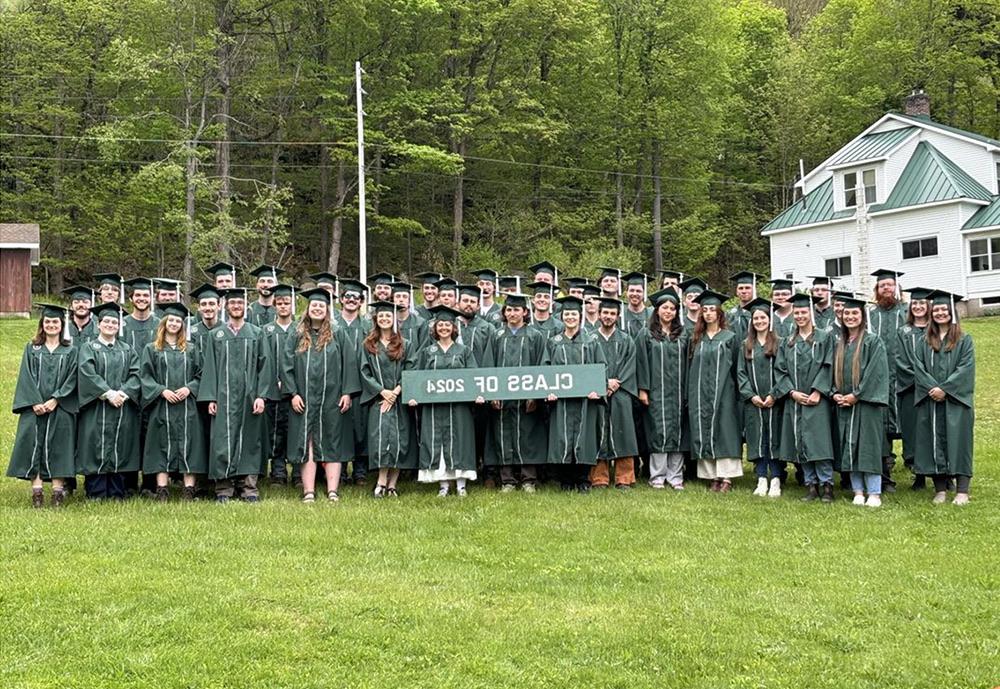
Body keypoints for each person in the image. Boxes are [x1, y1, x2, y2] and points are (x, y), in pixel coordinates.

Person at [281, 288, 361, 503]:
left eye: (321, 306)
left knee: (332, 440)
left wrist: (347, 392)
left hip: (332, 397)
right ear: (307, 309)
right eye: (314, 305)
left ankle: (332, 490)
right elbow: (286, 365)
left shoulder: (338, 333)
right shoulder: (296, 335)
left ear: (327, 310)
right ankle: (309, 491)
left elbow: (349, 364)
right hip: (304, 399)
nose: (317, 308)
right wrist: (293, 394)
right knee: (307, 442)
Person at [198, 288, 272, 503]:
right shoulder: (216, 335)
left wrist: (262, 396)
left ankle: (248, 487)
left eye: (240, 303)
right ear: (226, 307)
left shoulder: (256, 333)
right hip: (224, 396)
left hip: (250, 397)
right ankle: (224, 487)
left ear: (245, 306)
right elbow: (210, 367)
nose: (236, 306)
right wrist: (211, 397)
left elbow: (265, 366)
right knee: (223, 440)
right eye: (233, 303)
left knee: (250, 439)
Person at [8, 304, 79, 508]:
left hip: (60, 407)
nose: (51, 325)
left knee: (60, 447)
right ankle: (37, 493)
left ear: (61, 324)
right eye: (47, 321)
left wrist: (56, 399)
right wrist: (35, 401)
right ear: (42, 324)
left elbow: (72, 379)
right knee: (33, 445)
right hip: (34, 407)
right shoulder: (32, 348)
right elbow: (25, 376)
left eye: (55, 322)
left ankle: (57, 492)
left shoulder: (70, 350)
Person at [407, 305, 481, 497]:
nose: (444, 328)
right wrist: (413, 395)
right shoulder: (428, 352)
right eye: (440, 325)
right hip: (434, 406)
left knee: (460, 441)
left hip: (459, 407)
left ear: (453, 328)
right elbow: (417, 375)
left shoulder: (464, 351)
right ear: (435, 328)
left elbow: (474, 376)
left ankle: (461, 485)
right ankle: (443, 485)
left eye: (447, 325)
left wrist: (478, 394)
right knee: (437, 441)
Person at [912, 291, 975, 505]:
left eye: (943, 310)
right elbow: (918, 368)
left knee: (960, 442)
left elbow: (966, 368)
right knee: (932, 441)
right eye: (936, 310)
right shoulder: (924, 341)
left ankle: (962, 490)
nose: (940, 313)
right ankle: (940, 489)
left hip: (956, 401)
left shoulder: (964, 340)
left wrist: (946, 389)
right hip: (930, 399)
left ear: (952, 313)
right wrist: (932, 388)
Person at [138, 302, 206, 501]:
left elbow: (202, 375)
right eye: (171, 320)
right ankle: (162, 489)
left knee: (190, 444)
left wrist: (189, 388)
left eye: (178, 321)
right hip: (162, 405)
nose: (174, 324)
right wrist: (161, 391)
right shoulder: (152, 349)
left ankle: (188, 490)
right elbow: (145, 376)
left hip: (188, 406)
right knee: (160, 444)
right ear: (164, 323)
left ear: (182, 325)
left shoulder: (192, 350)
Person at [76, 302, 142, 500]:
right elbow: (86, 373)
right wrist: (108, 393)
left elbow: (137, 374)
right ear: (99, 324)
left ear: (119, 325)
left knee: (120, 446)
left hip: (123, 406)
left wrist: (123, 393)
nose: (111, 325)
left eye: (115, 322)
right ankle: (95, 491)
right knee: (95, 445)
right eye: (107, 321)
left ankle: (117, 491)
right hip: (97, 406)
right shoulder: (88, 348)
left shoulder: (127, 349)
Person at [774, 294, 836, 503]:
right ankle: (810, 485)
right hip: (796, 400)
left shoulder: (824, 338)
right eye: (797, 312)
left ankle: (827, 485)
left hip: (818, 400)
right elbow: (780, 370)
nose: (800, 316)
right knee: (801, 441)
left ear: (811, 312)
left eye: (803, 312)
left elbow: (829, 365)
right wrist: (791, 392)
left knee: (820, 442)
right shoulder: (787, 342)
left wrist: (818, 391)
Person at [484, 293, 548, 492]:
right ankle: (507, 480)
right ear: (504, 313)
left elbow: (542, 365)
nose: (512, 313)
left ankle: (529, 479)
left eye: (516, 310)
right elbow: (488, 365)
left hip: (526, 398)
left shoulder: (535, 336)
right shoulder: (496, 335)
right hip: (502, 398)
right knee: (502, 435)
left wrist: (534, 395)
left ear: (525, 312)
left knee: (527, 435)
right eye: (509, 310)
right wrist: (492, 393)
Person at [543, 296, 606, 492]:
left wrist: (598, 389)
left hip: (585, 401)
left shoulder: (591, 341)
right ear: (562, 317)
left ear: (580, 317)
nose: (570, 317)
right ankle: (566, 481)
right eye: (567, 314)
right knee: (563, 438)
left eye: (574, 314)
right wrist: (548, 392)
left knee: (584, 438)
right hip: (561, 402)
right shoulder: (553, 342)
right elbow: (546, 369)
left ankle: (583, 480)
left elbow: (601, 368)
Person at [831, 296, 889, 507]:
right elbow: (830, 372)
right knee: (849, 445)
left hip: (867, 404)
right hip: (843, 404)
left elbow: (876, 373)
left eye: (855, 313)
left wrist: (857, 395)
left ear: (863, 316)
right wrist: (834, 393)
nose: (850, 317)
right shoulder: (840, 343)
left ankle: (874, 491)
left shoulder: (874, 341)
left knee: (868, 447)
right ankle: (857, 490)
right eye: (847, 314)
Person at [360, 301, 418, 497]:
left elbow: (411, 370)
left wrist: (396, 392)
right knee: (381, 439)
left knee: (400, 440)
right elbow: (364, 372)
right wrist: (382, 391)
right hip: (379, 400)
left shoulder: (406, 344)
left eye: (388, 316)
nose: (385, 319)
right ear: (376, 319)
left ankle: (393, 484)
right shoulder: (369, 344)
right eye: (381, 316)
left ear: (394, 319)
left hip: (400, 400)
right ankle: (380, 481)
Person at [687, 290, 742, 492]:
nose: (708, 313)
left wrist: (736, 394)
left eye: (712, 310)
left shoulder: (730, 338)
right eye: (705, 310)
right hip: (700, 394)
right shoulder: (696, 339)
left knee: (725, 431)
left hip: (725, 393)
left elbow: (738, 367)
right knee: (704, 430)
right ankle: (712, 476)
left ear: (719, 313)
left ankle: (726, 477)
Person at [635, 289, 688, 490]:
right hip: (656, 391)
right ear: (657, 310)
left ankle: (675, 477)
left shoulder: (683, 334)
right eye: (664, 307)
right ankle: (657, 476)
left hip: (677, 392)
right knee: (658, 432)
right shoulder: (646, 334)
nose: (668, 311)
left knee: (678, 432)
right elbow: (641, 363)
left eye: (672, 308)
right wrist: (643, 390)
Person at [736, 298, 782, 497]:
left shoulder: (780, 344)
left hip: (775, 401)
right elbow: (740, 373)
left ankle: (777, 479)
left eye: (763, 317)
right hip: (753, 402)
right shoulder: (746, 345)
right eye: (756, 318)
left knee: (775, 438)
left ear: (769, 320)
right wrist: (751, 395)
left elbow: (785, 372)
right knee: (758, 438)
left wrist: (774, 394)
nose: (759, 321)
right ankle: (762, 477)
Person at [591, 297, 639, 490]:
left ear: (618, 316)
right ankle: (599, 478)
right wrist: (603, 383)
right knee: (598, 432)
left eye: (612, 313)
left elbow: (631, 364)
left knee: (624, 433)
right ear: (599, 314)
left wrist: (614, 385)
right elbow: (588, 366)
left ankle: (624, 478)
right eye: (605, 313)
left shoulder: (626, 339)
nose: (608, 316)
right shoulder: (590, 339)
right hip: (598, 394)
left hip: (621, 392)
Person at [868, 268, 908, 492]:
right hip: (879, 380)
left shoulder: (907, 312)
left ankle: (919, 470)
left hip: (903, 378)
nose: (886, 289)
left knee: (910, 423)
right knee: (881, 425)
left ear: (896, 288)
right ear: (877, 289)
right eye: (882, 286)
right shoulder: (871, 315)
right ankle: (885, 469)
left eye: (889, 285)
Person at [334, 279, 371, 487]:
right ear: (341, 300)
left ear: (361, 302)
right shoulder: (332, 325)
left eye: (355, 297)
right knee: (339, 428)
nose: (351, 300)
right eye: (347, 296)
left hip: (362, 384)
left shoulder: (367, 326)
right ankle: (339, 471)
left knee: (360, 428)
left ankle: (360, 471)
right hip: (336, 384)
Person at [895, 287, 932, 489]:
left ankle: (944, 473)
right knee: (914, 432)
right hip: (911, 390)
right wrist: (922, 381)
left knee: (935, 430)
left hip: (933, 391)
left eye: (922, 303)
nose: (918, 307)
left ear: (928, 306)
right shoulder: (903, 331)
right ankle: (919, 475)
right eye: (915, 303)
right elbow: (900, 360)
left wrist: (932, 382)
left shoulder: (935, 329)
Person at [260, 284, 296, 485]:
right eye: (279, 303)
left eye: (287, 303)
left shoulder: (300, 329)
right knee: (276, 430)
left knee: (296, 429)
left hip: (296, 391)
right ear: (274, 305)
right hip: (273, 390)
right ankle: (278, 471)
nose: (283, 306)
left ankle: (299, 472)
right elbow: (264, 360)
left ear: (292, 305)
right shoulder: (266, 330)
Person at [726, 271, 759, 338]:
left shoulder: (760, 312)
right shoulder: (730, 314)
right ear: (737, 292)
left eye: (747, 288)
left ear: (754, 290)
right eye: (741, 288)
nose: (744, 291)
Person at [622, 272, 652, 337]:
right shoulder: (621, 314)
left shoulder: (652, 314)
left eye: (638, 291)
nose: (635, 294)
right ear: (626, 292)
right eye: (631, 290)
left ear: (644, 293)